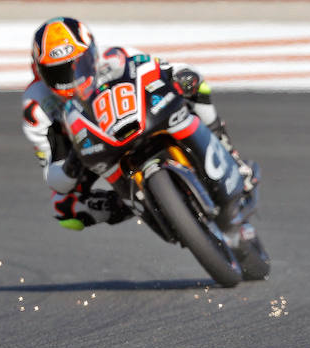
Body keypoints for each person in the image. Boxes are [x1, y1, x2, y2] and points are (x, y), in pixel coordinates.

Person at [21, 17, 254, 231]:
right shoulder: (36, 106)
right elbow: (52, 174)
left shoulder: (115, 57)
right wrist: (70, 166)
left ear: (90, 54)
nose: (69, 80)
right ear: (39, 72)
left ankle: (231, 156)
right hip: (87, 146)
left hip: (138, 117)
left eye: (75, 66)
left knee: (196, 84)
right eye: (57, 73)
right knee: (65, 210)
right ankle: (129, 204)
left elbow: (163, 69)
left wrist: (179, 76)